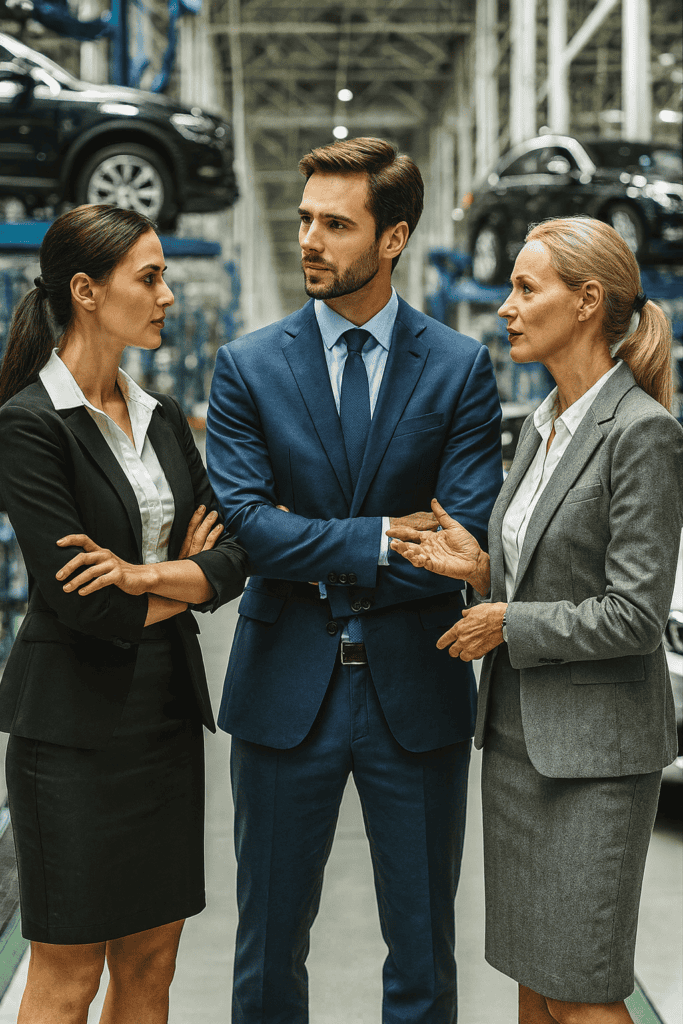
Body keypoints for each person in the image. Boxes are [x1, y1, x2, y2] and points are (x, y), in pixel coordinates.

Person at [205, 136, 503, 1022]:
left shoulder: (456, 369)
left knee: (421, 957)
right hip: (281, 690)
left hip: (415, 691)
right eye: (304, 220)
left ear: (393, 237)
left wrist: (312, 540)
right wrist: (379, 536)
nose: (310, 240)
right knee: (266, 955)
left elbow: (461, 538)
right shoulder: (247, 367)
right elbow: (250, 533)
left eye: (336, 224)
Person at [388, 216, 683, 1024]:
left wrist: (507, 621)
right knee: (531, 982)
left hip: (594, 760)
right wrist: (482, 569)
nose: (505, 309)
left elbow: (632, 612)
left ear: (587, 301)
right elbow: (555, 569)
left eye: (526, 289)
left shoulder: (642, 434)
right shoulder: (541, 427)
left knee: (581, 994)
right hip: (519, 744)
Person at [0, 204, 247, 1023]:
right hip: (70, 733)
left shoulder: (162, 418)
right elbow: (81, 607)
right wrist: (179, 577)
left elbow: (233, 561)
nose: (167, 294)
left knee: (150, 968)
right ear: (87, 291)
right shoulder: (29, 426)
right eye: (150, 277)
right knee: (67, 979)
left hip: (164, 724)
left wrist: (140, 577)